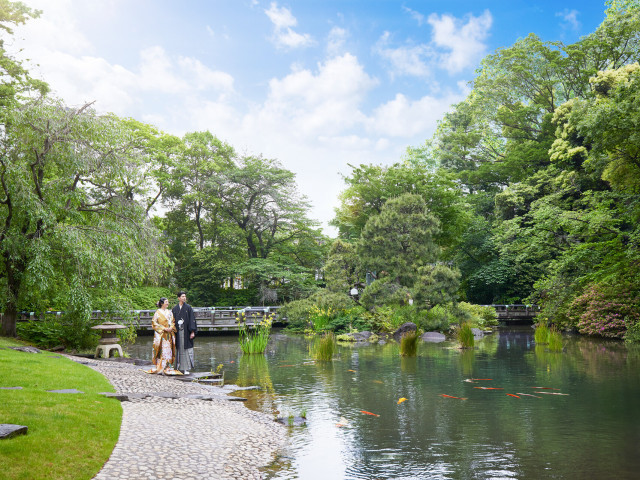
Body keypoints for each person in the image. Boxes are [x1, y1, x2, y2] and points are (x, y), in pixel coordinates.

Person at [145, 297, 181, 375]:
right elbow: (154, 323)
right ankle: (160, 366)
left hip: (169, 334)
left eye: (168, 302)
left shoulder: (169, 312)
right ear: (162, 303)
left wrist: (171, 327)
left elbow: (173, 321)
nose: (167, 303)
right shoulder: (157, 312)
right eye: (166, 302)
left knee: (168, 350)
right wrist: (164, 328)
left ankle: (167, 366)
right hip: (161, 334)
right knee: (161, 350)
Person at [172, 291, 197, 374]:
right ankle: (178, 367)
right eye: (182, 296)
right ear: (178, 298)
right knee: (179, 349)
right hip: (178, 332)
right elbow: (172, 321)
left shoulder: (188, 308)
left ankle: (186, 368)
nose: (184, 298)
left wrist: (192, 331)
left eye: (185, 296)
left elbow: (192, 320)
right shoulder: (175, 309)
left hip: (186, 332)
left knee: (186, 350)